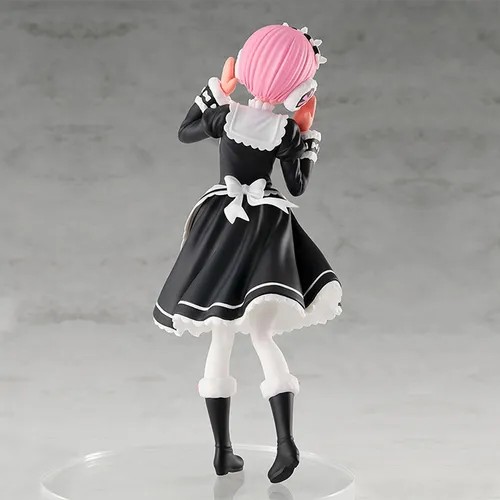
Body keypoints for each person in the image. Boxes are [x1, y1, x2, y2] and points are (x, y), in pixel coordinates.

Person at [153, 23, 342, 483]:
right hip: (264, 226)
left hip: (222, 221)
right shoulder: (283, 129)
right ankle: (285, 443)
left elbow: (184, 131)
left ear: (249, 64)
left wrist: (218, 90)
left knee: (220, 334)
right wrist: (306, 135)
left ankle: (223, 452)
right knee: (260, 334)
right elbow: (296, 186)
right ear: (297, 84)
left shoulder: (226, 116)